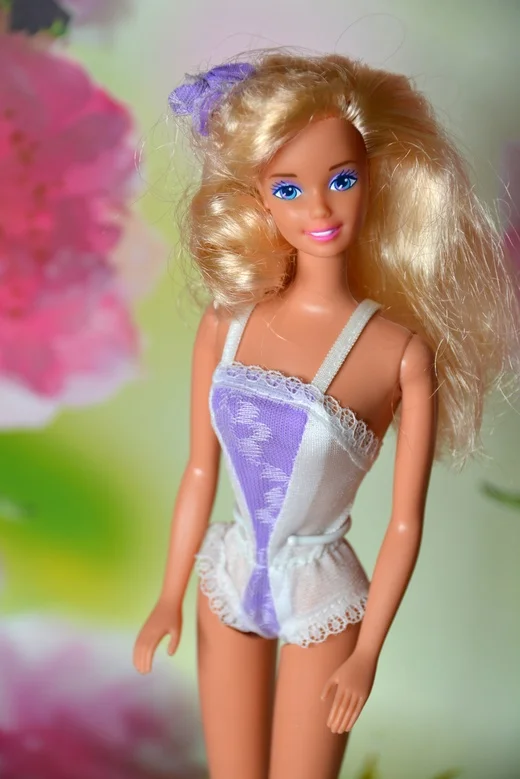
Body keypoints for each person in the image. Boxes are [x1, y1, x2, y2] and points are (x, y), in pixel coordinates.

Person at [133, 52, 520, 779]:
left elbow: (405, 523)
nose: (319, 210)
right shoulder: (225, 325)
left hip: (322, 601)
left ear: (375, 178)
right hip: (227, 575)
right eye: (289, 188)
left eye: (342, 180)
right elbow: (199, 472)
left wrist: (367, 652)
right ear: (259, 199)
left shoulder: (398, 352)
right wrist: (168, 594)